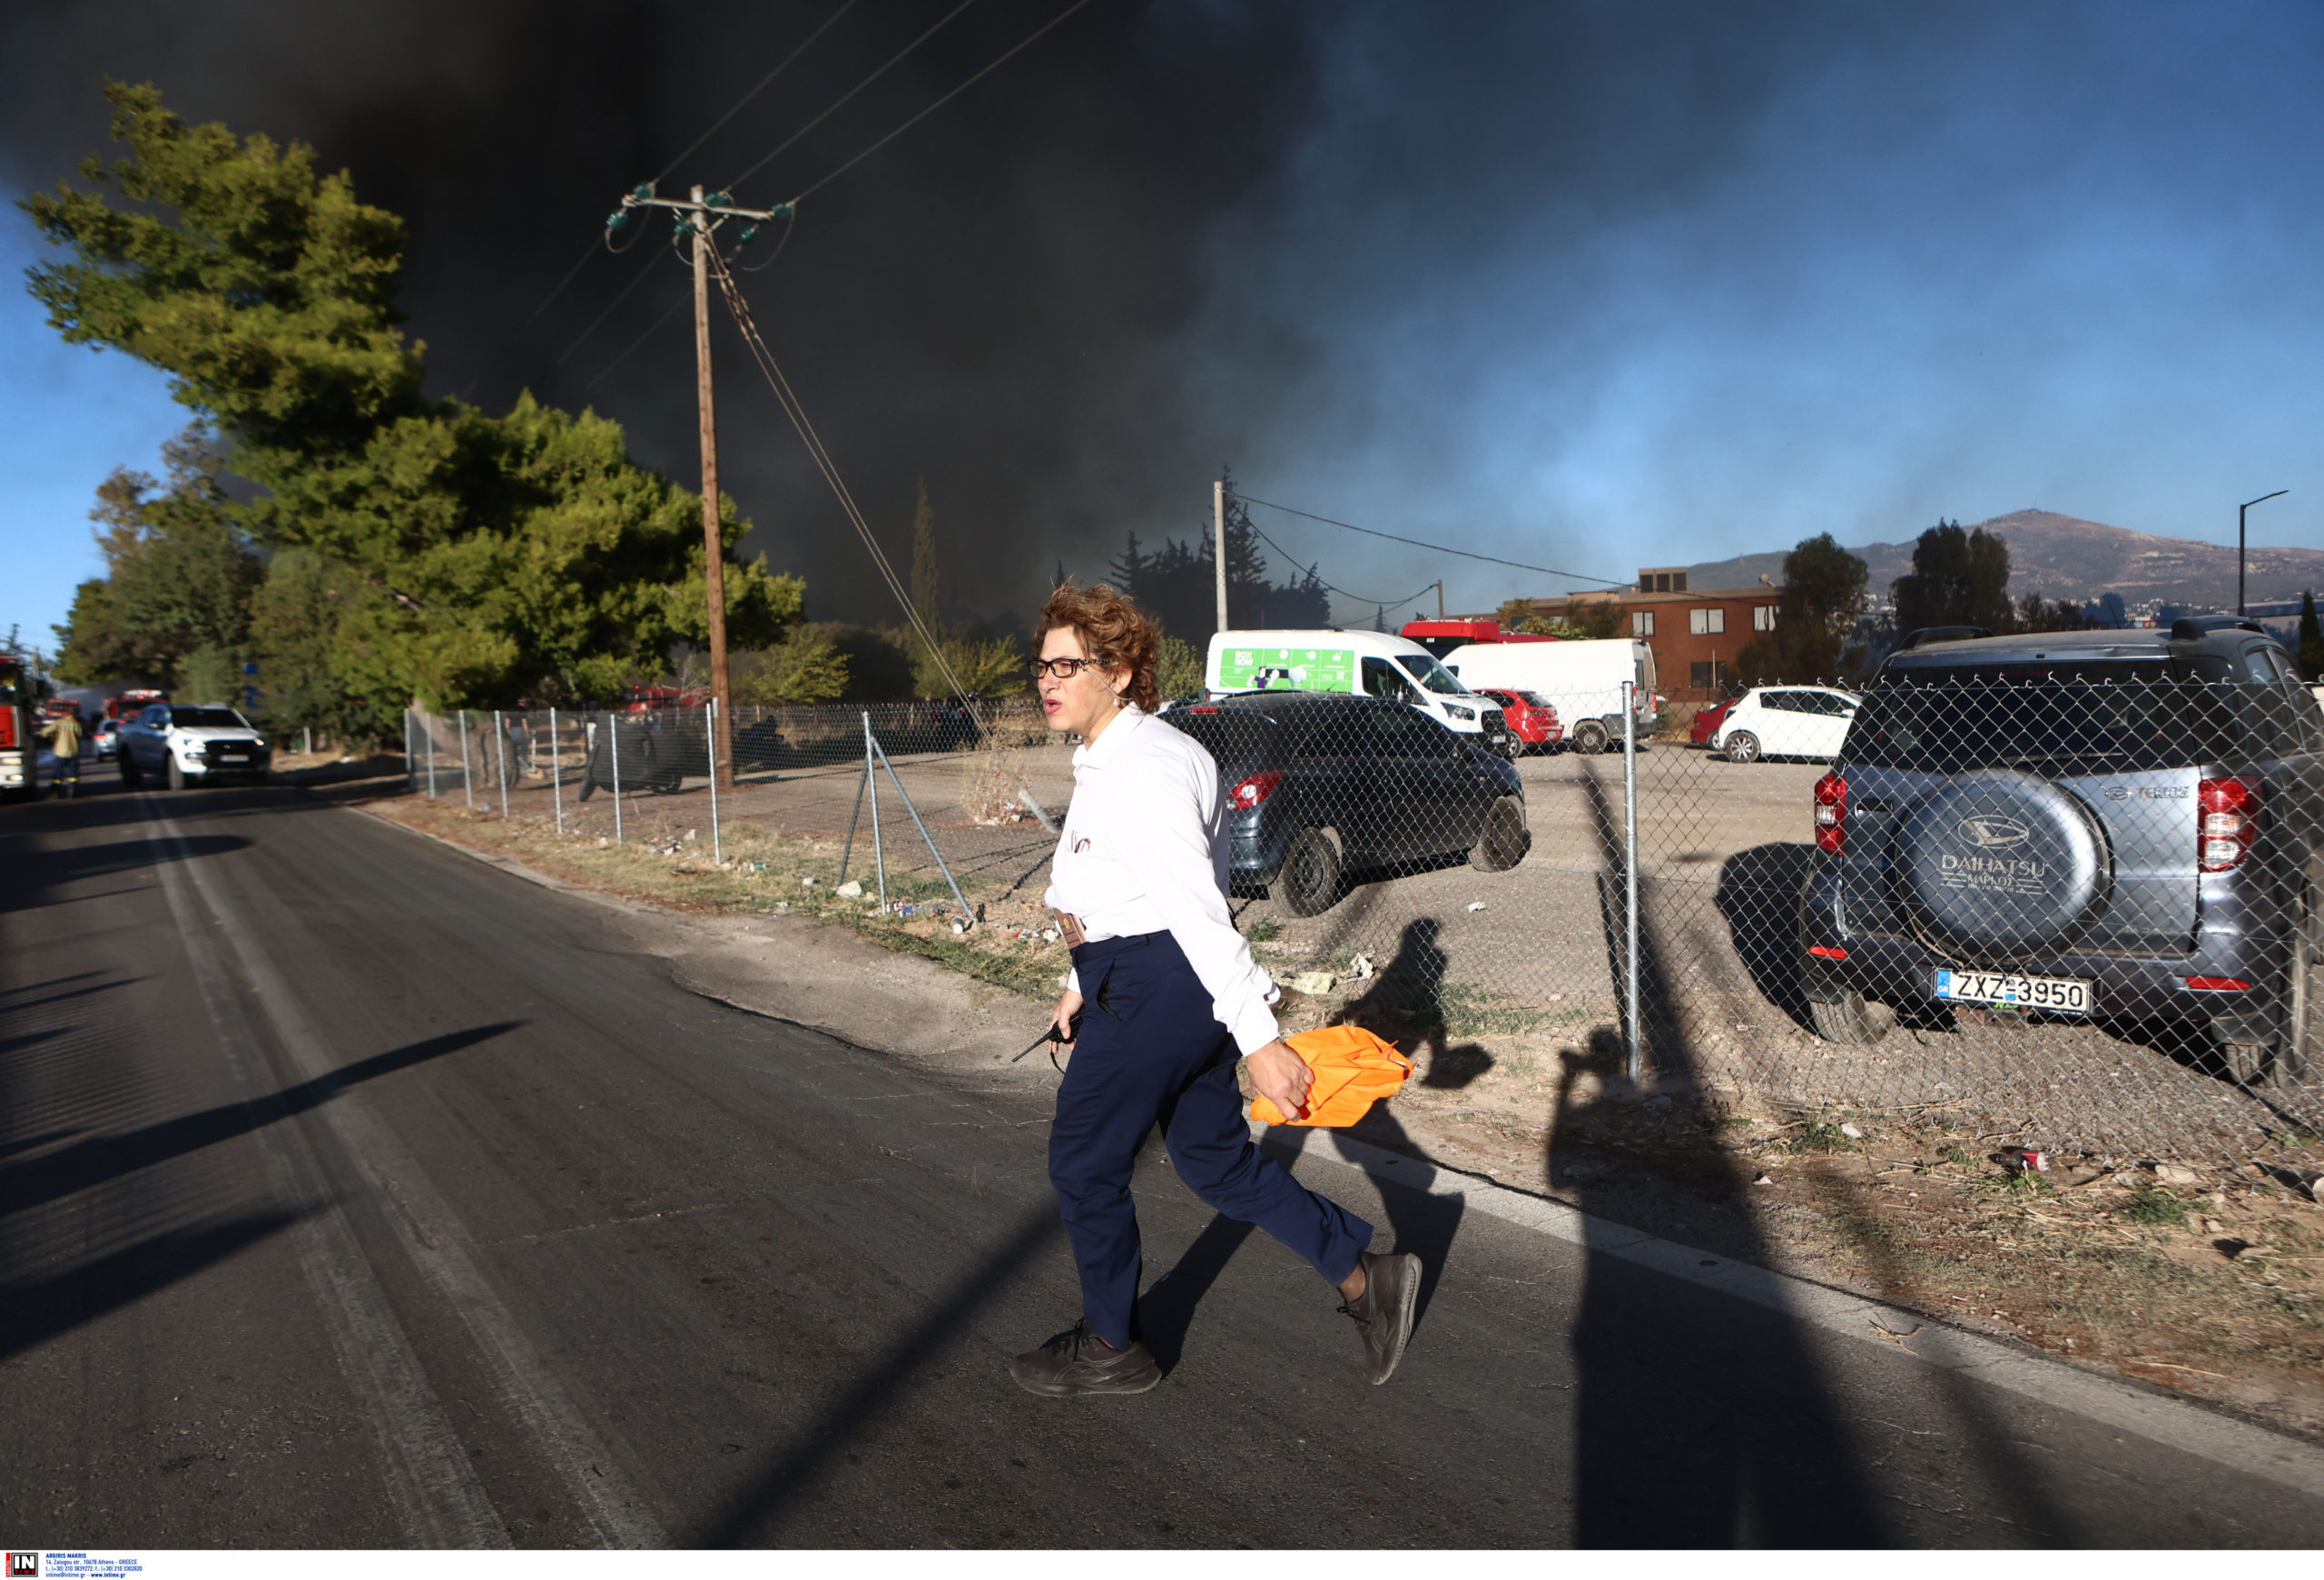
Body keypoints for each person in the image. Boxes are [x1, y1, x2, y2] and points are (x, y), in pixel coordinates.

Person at [1009, 580, 1421, 1398]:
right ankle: (1363, 1279)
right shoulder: (1119, 758)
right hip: (1148, 979)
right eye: (1042, 664)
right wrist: (1076, 983)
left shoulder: (1147, 767)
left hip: (1157, 985)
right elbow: (1126, 887)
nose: (1047, 679)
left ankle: (1110, 1345)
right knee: (1213, 1162)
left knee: (1084, 1164)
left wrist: (1260, 1039)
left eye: (1067, 664)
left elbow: (1198, 908)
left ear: (1120, 670)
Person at [43, 708, 84, 798]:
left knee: (58, 772)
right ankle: (73, 789)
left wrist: (52, 737)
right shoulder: (76, 724)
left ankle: (57, 790)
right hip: (73, 752)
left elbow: (45, 732)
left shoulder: (60, 723)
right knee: (73, 773)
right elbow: (80, 735)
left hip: (61, 752)